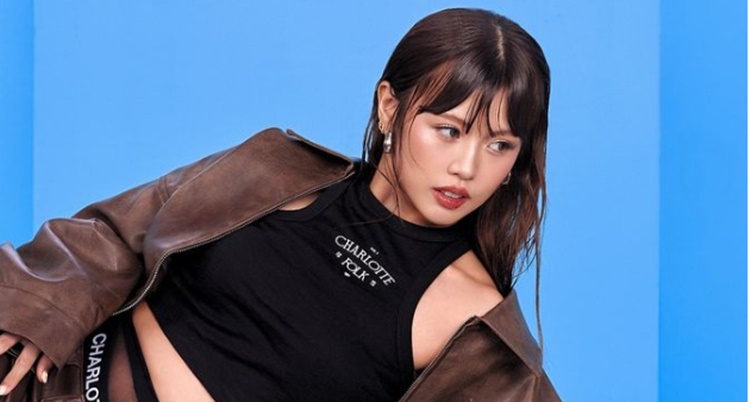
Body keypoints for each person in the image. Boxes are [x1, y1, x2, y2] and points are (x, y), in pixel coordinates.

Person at [0, 7, 559, 402]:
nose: (468, 167)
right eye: (449, 131)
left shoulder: (478, 325)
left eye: (499, 145)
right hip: (52, 381)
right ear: (390, 107)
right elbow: (114, 234)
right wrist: (39, 310)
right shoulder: (279, 171)